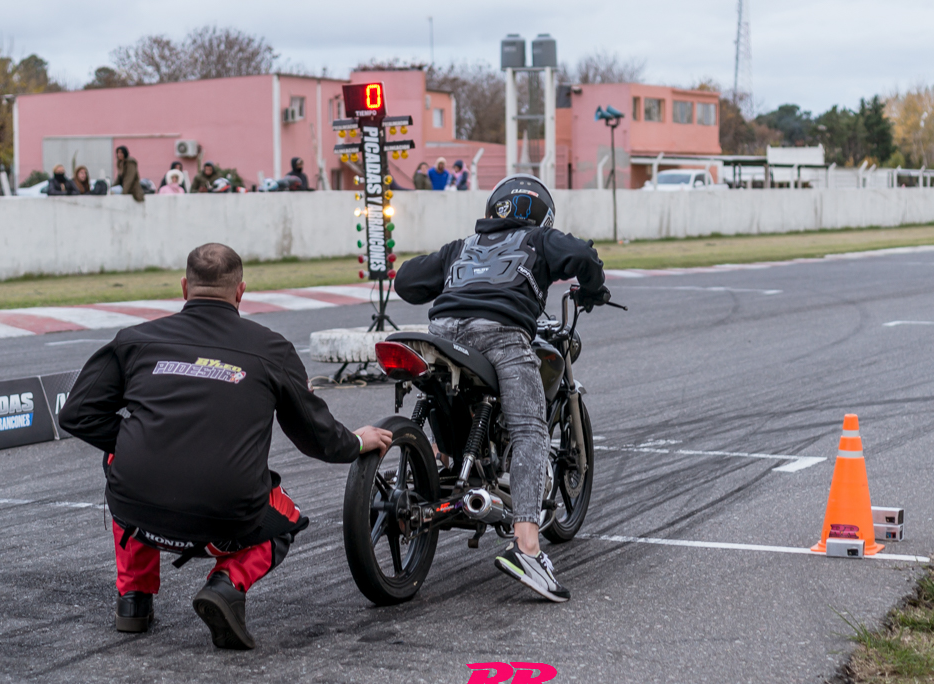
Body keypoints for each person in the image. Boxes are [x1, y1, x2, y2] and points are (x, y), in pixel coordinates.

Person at [59, 243, 393, 650]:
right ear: (240, 291)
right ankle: (226, 583)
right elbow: (316, 437)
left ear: (185, 288)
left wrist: (138, 440)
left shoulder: (134, 339)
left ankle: (133, 599)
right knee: (287, 516)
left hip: (138, 515)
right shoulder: (272, 349)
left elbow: (76, 413)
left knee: (119, 457)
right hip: (225, 523)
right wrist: (357, 442)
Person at [393, 174, 610, 603]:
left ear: (494, 208)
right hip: (501, 333)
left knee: (439, 390)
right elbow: (583, 254)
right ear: (543, 216)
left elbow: (406, 281)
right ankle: (527, 548)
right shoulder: (539, 240)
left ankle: (442, 458)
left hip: (442, 334)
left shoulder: (463, 246)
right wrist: (593, 286)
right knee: (530, 430)